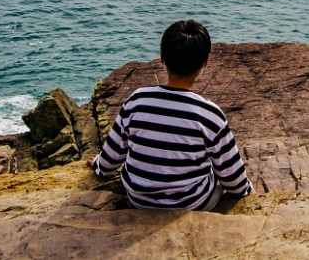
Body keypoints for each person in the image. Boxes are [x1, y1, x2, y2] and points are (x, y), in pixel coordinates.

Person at [89, 19, 252, 210]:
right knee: (216, 174)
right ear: (205, 61)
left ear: (162, 58)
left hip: (138, 201)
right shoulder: (210, 115)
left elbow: (110, 160)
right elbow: (234, 181)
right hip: (190, 204)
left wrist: (98, 164)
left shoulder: (137, 100)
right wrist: (247, 191)